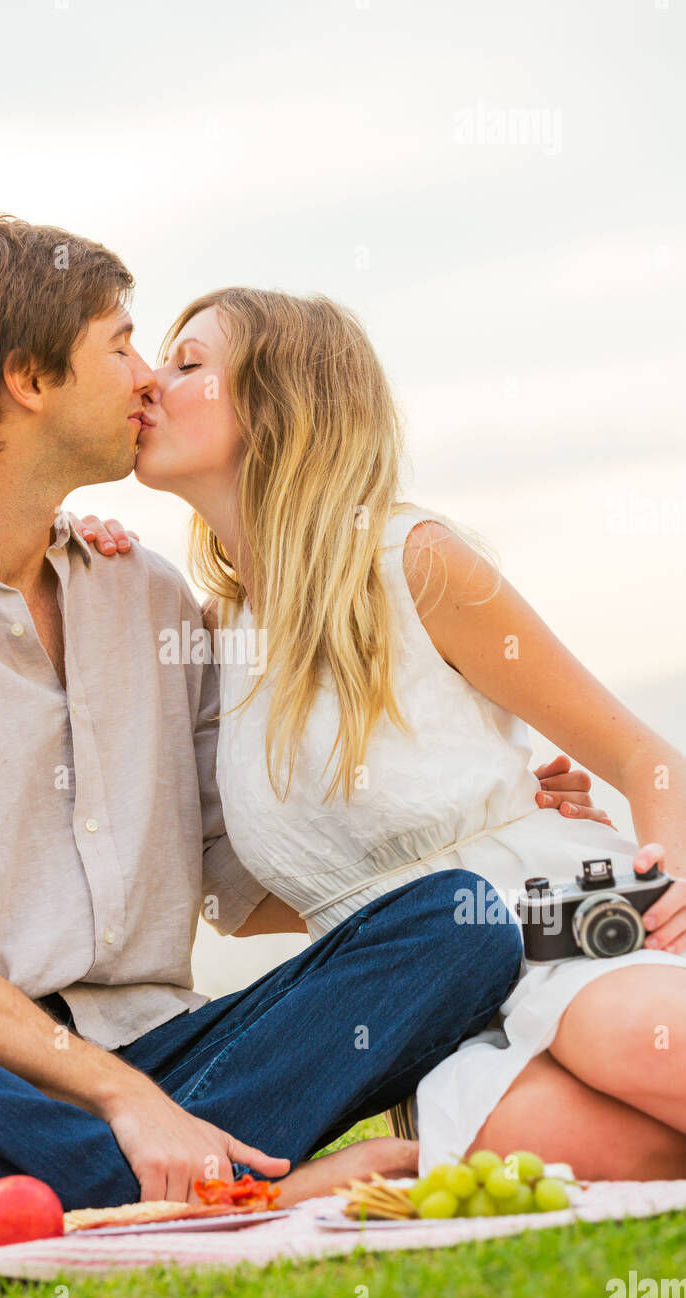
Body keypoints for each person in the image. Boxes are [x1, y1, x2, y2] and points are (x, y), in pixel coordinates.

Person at [0, 215, 540, 1238]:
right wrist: (126, 1102)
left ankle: (36, 1201)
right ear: (28, 378)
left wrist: (475, 819)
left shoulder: (150, 599)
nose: (144, 377)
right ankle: (219, 1185)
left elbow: (249, 880)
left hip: (180, 1063)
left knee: (455, 920)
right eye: (118, 344)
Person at [129, 285, 686, 1181]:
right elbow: (244, 897)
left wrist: (671, 875)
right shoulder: (207, 639)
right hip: (415, 999)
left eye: (188, 364)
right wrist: (78, 560)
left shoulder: (409, 560)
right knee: (583, 1149)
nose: (150, 382)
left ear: (284, 405)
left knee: (631, 1046)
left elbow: (642, 757)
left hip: (552, 904)